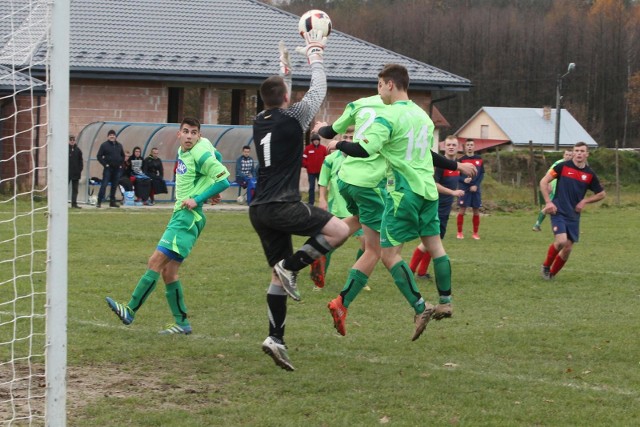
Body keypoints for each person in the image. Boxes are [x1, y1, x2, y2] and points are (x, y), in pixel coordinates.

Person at [325, 64, 477, 340]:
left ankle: (418, 307)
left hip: (402, 193)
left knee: (388, 254)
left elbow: (364, 149)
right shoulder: (423, 117)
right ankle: (445, 300)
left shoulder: (389, 116)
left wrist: (338, 145)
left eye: (379, 84)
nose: (378, 90)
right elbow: (428, 154)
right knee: (435, 247)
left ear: (390, 84)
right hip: (428, 192)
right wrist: (456, 165)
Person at [250, 36, 350, 371]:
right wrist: (315, 55)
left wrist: (285, 68)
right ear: (287, 98)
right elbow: (318, 91)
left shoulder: (260, 119)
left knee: (277, 281)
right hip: (282, 203)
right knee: (337, 230)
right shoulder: (294, 117)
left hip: (259, 209)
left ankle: (275, 338)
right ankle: (291, 267)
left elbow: (281, 93)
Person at [105, 117, 231, 334]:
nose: (190, 136)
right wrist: (209, 187)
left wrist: (199, 197)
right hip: (184, 215)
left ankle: (130, 310)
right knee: (168, 272)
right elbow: (217, 157)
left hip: (187, 215)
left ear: (199, 135)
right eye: (186, 131)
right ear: (178, 134)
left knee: (155, 261)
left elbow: (223, 178)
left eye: (194, 132)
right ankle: (182, 323)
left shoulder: (199, 152)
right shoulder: (195, 148)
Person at [539, 142, 605, 279]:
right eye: (577, 151)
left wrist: (584, 201)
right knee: (561, 241)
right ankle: (545, 266)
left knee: (568, 248)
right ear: (573, 153)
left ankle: (551, 275)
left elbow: (601, 194)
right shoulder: (562, 166)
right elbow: (543, 182)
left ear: (587, 154)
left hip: (573, 215)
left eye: (582, 151)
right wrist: (548, 202)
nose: (579, 153)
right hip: (558, 211)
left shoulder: (589, 174)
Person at [311, 129, 366, 290]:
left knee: (366, 245)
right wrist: (322, 199)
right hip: (337, 210)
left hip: (357, 211)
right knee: (329, 245)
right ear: (340, 139)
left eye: (351, 138)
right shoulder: (330, 159)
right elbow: (323, 181)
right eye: (345, 137)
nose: (348, 140)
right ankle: (319, 280)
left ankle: (359, 278)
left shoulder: (361, 158)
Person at [409, 135, 465, 280]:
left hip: (445, 209)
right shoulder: (441, 165)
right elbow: (434, 184)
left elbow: (452, 181)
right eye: (449, 145)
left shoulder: (456, 165)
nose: (451, 147)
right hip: (436, 206)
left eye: (454, 145)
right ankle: (410, 271)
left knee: (435, 240)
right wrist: (453, 192)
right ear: (443, 147)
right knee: (429, 241)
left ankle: (421, 272)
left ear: (458, 147)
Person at [532, 149, 574, 231]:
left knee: (559, 208)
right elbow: (549, 174)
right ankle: (537, 225)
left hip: (564, 191)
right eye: (567, 154)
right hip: (555, 189)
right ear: (563, 155)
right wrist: (548, 184)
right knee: (551, 207)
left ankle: (540, 225)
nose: (568, 156)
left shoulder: (572, 165)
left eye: (570, 155)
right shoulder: (558, 164)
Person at [456, 138, 484, 240]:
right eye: (468, 145)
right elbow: (457, 175)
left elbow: (481, 174)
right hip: (464, 189)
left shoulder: (479, 159)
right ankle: (459, 233)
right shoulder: (461, 160)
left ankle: (475, 233)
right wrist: (464, 181)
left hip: (475, 189)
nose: (470, 147)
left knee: (476, 211)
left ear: (474, 146)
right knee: (462, 210)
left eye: (471, 145)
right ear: (465, 147)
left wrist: (476, 184)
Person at [96, 129, 125, 208]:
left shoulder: (119, 145)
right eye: (110, 135)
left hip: (117, 169)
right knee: (104, 184)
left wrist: (120, 164)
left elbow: (123, 156)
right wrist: (105, 164)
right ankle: (99, 201)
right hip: (108, 169)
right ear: (108, 136)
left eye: (113, 135)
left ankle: (112, 202)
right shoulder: (104, 145)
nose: (112, 136)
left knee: (114, 185)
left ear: (115, 136)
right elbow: (99, 156)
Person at [302, 133, 327, 205]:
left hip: (321, 172)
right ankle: (311, 203)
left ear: (319, 141)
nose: (316, 141)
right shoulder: (307, 148)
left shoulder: (323, 148)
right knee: (311, 187)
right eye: (314, 140)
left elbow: (327, 159)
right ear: (312, 141)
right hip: (311, 172)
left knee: (321, 188)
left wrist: (324, 168)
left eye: (317, 140)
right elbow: (303, 158)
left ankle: (322, 201)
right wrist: (307, 165)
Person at [68, 135, 83, 209]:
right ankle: (62, 203)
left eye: (73, 140)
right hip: (67, 173)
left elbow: (81, 161)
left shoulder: (78, 150)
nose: (72, 141)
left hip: (76, 173)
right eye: (71, 140)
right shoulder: (66, 149)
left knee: (75, 189)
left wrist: (79, 169)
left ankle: (74, 203)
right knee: (65, 188)